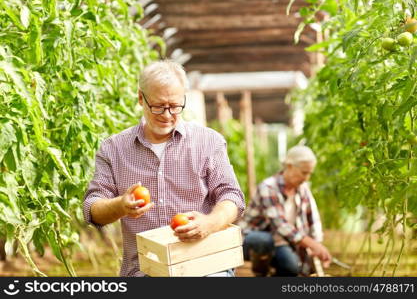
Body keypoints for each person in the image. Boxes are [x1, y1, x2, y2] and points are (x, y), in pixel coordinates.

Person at [83, 60, 245, 277]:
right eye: (158, 106)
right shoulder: (114, 149)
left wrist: (209, 222)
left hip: (204, 265)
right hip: (144, 270)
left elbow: (232, 196)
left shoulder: (208, 142)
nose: (167, 115)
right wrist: (121, 205)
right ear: (141, 98)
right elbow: (92, 209)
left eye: (175, 106)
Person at [239, 145, 331, 276]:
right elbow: (281, 225)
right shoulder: (268, 187)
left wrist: (317, 245)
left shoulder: (302, 189)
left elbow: (313, 219)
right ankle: (260, 270)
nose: (307, 178)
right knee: (263, 241)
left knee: (291, 268)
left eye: (310, 173)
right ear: (289, 166)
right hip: (254, 238)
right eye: (304, 172)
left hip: (281, 241)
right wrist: (311, 244)